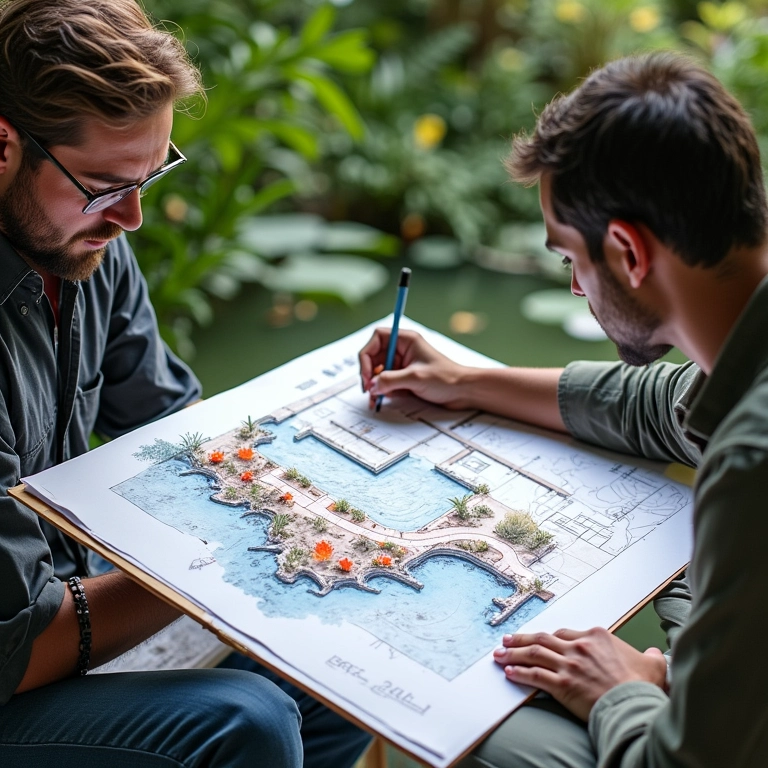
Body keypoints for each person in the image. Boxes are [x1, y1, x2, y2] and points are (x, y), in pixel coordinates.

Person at [361, 51, 768, 767]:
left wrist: (622, 691)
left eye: (569, 259)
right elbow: (655, 407)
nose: (578, 287)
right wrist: (465, 381)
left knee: (477, 726)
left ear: (628, 251)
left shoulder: (751, 462)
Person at [0, 1, 370, 765]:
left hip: (69, 596)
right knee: (247, 720)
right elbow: (22, 650)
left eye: (151, 174)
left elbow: (176, 434)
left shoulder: (86, 248)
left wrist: (303, 493)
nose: (133, 217)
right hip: (17, 662)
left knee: (342, 671)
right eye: (105, 186)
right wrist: (234, 554)